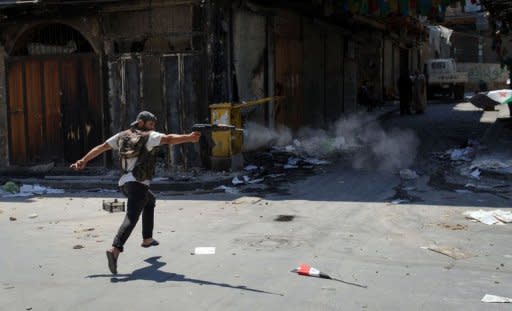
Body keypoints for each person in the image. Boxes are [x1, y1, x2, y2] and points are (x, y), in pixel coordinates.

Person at [70, 111, 200, 274]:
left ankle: (147, 239)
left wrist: (83, 160)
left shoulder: (122, 136)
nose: (153, 127)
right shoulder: (149, 136)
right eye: (150, 124)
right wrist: (189, 137)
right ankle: (115, 249)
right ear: (141, 123)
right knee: (131, 218)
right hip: (138, 184)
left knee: (150, 200)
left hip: (125, 184)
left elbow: (102, 147)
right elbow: (169, 139)